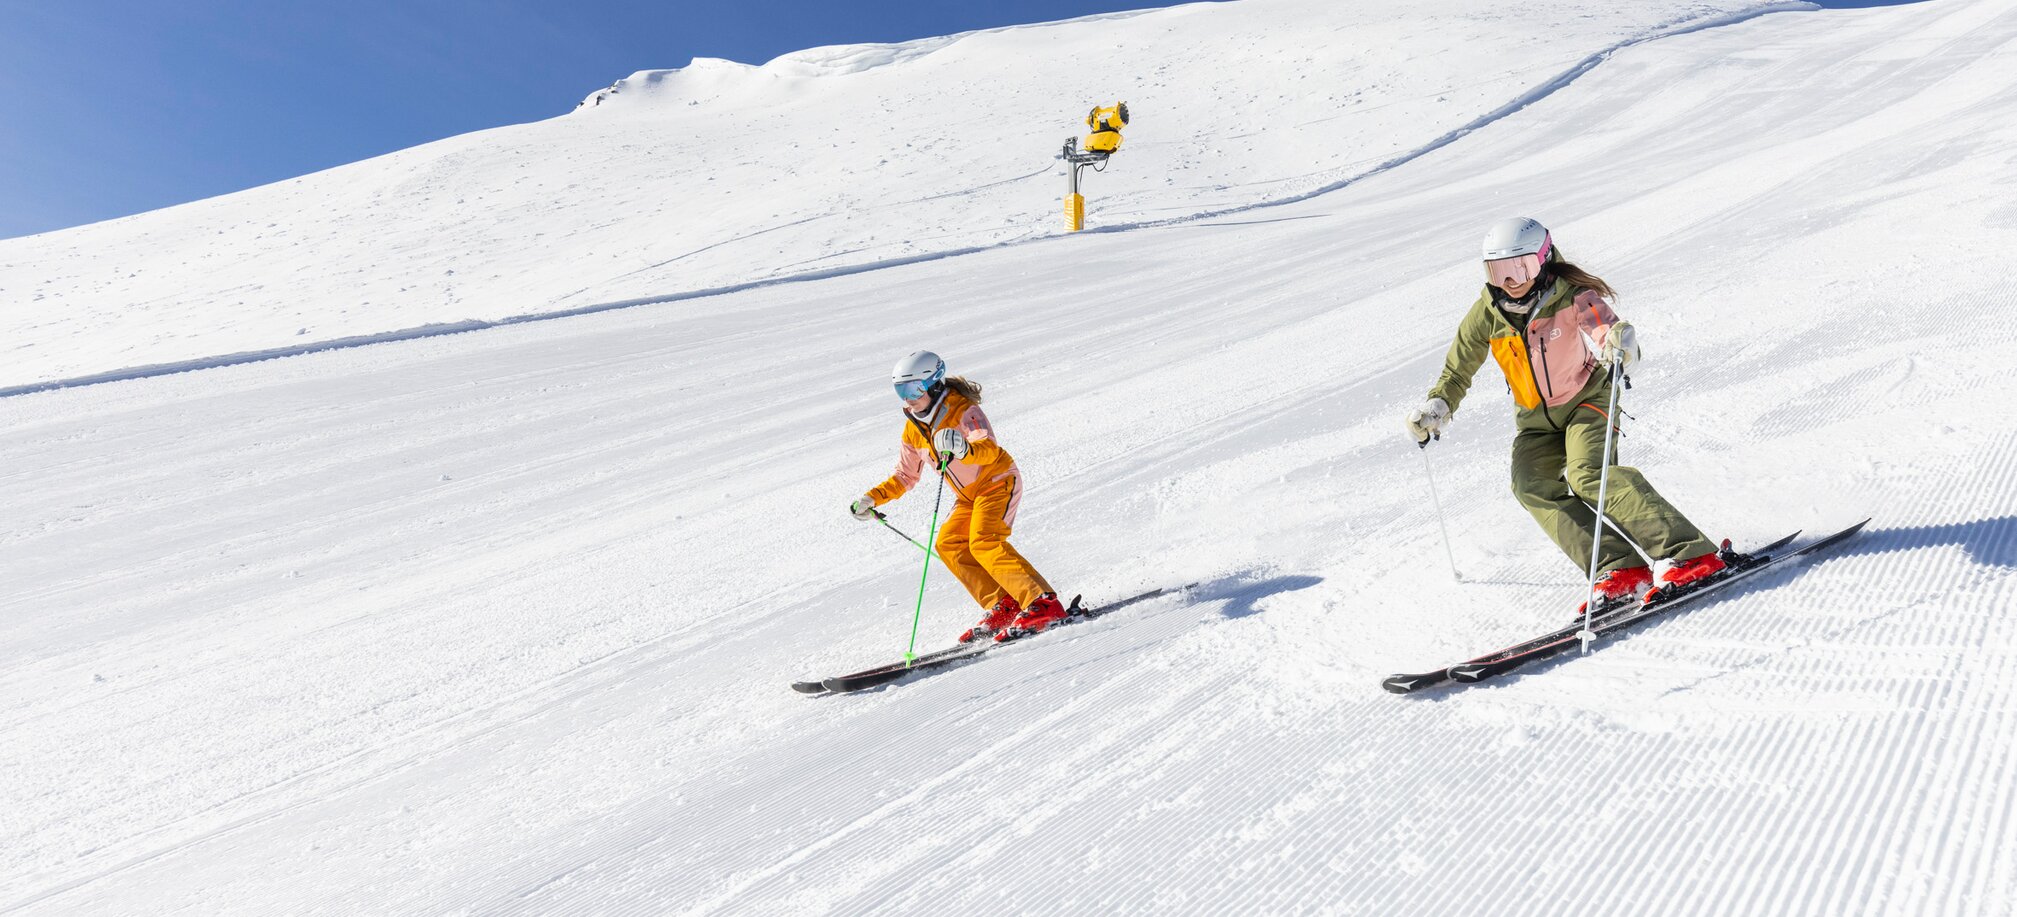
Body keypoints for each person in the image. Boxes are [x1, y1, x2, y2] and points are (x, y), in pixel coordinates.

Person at [1405, 217, 1725, 609]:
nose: (1509, 282)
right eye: (1497, 271)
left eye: (1518, 268)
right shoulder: (1486, 314)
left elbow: (1606, 329)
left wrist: (1618, 344)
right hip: (1535, 422)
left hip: (1587, 402)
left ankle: (1692, 553)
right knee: (1530, 485)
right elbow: (1458, 370)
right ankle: (1619, 567)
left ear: (1542, 261)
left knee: (1589, 475)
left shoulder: (1571, 295)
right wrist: (1439, 405)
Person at [849, 351, 1068, 642]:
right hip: (968, 497)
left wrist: (965, 449)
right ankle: (1004, 604)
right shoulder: (913, 429)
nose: (907, 398)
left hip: (996, 481)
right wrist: (872, 498)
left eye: (913, 389)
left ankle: (1043, 603)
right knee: (949, 543)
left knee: (984, 541)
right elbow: (905, 476)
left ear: (934, 384)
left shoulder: (963, 411)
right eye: (900, 390)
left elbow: (988, 449)